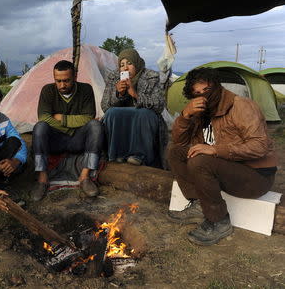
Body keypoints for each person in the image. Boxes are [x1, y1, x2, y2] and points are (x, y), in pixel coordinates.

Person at [167, 67, 277, 246]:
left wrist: (216, 150)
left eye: (207, 90)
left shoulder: (241, 105)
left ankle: (218, 220)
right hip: (225, 169)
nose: (203, 96)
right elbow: (180, 142)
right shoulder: (200, 112)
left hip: (255, 177)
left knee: (200, 160)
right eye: (197, 93)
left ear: (217, 87)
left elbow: (260, 145)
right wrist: (186, 115)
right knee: (175, 151)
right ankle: (198, 204)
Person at [31, 60, 104, 201]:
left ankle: (85, 177)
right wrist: (70, 127)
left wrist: (62, 119)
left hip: (77, 139)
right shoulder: (48, 90)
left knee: (95, 126)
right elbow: (44, 117)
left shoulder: (85, 89)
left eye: (66, 81)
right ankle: (42, 178)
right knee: (39, 127)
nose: (62, 85)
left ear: (75, 77)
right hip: (56, 140)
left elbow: (89, 117)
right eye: (58, 81)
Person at [101, 48, 168, 168]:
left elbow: (159, 105)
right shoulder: (113, 77)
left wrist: (135, 94)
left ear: (136, 63)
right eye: (122, 65)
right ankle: (118, 154)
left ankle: (140, 156)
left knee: (143, 113)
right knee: (112, 113)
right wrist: (119, 94)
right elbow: (105, 106)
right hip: (123, 119)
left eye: (129, 63)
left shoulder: (151, 76)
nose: (125, 68)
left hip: (145, 118)